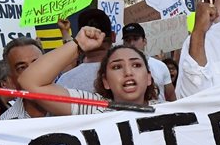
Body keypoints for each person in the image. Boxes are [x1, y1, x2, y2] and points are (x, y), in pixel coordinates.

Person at [17, 28, 157, 115]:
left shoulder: (168, 110)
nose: (128, 72)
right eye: (117, 67)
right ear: (105, 81)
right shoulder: (94, 107)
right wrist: (77, 45)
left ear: (149, 77)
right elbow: (29, 82)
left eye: (136, 65)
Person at [55, 9, 114, 94]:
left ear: (81, 39)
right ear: (113, 36)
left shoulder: (65, 81)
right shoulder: (130, 75)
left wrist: (66, 34)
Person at [121, 23, 176, 101]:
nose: (132, 43)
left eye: (135, 38)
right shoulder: (119, 70)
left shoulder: (160, 66)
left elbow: (171, 97)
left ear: (144, 41)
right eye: (127, 40)